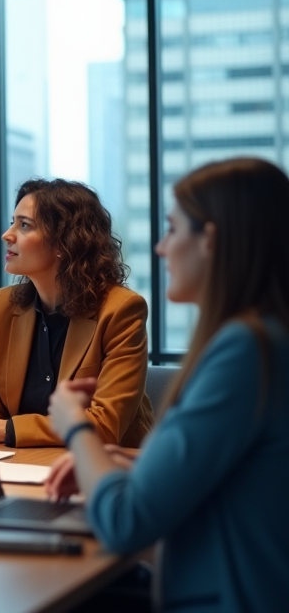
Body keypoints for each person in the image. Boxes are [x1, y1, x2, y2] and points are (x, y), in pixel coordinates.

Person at [46, 157, 289, 613]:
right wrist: (134, 465)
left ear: (211, 240)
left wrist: (76, 428)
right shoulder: (270, 338)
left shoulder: (244, 351)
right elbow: (238, 477)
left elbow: (126, 521)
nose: (161, 248)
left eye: (174, 230)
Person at [0, 178, 153, 447]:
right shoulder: (1, 307)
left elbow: (104, 426)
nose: (7, 234)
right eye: (13, 222)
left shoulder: (121, 310)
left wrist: (9, 430)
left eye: (24, 225)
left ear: (64, 242)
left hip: (109, 469)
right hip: (25, 465)